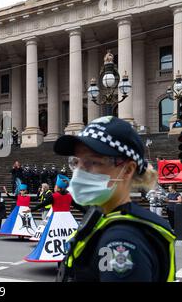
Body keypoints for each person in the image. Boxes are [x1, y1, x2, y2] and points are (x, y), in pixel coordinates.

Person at [53, 116, 176, 282]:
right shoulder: (103, 217)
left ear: (127, 170)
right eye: (76, 162)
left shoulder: (122, 239)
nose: (80, 171)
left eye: (93, 162)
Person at [25, 174, 85, 262]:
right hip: (68, 219)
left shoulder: (54, 196)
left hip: (56, 219)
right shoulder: (69, 196)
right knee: (69, 236)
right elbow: (79, 206)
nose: (54, 187)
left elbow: (42, 204)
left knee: (53, 237)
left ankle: (58, 257)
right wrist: (88, 212)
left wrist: (31, 209)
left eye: (56, 186)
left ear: (59, 188)